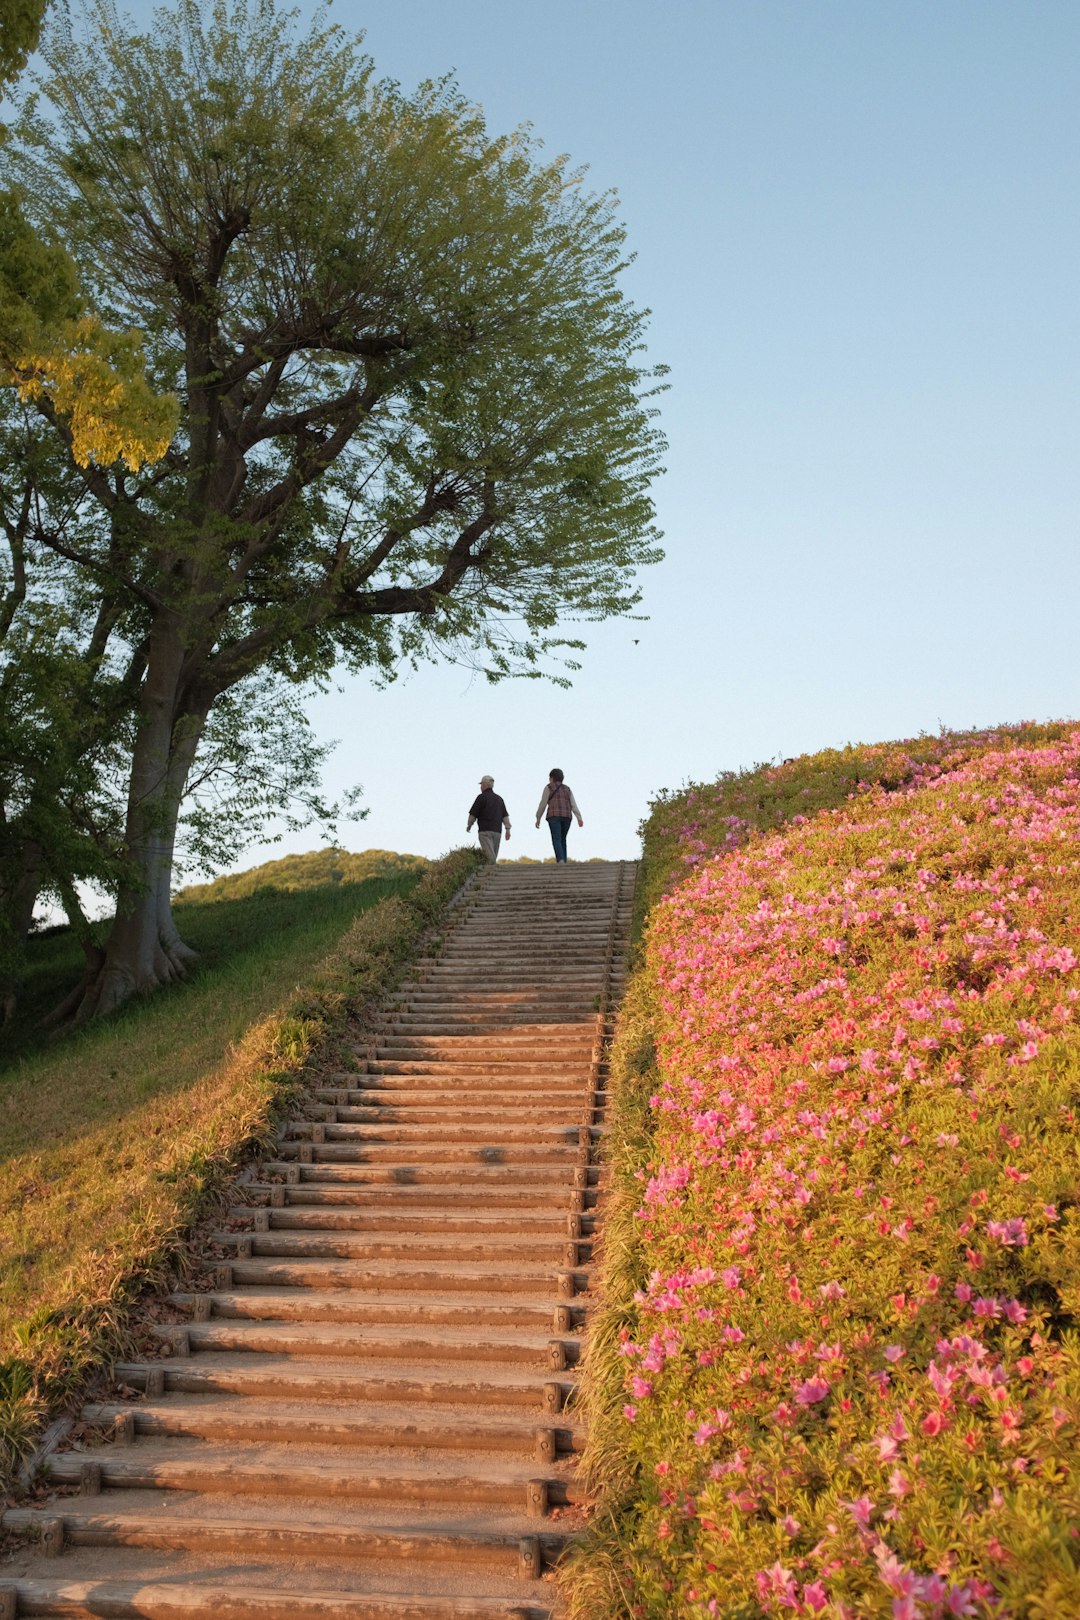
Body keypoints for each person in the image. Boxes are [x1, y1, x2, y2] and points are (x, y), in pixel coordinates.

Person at [535, 768, 583, 864]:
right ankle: (564, 860)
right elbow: (573, 804)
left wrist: (538, 818)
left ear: (552, 778)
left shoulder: (548, 788)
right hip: (567, 817)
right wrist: (579, 818)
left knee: (556, 838)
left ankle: (560, 860)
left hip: (554, 816)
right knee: (563, 839)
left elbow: (543, 804)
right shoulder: (567, 789)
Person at [467, 774, 511, 864]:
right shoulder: (499, 799)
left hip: (485, 831)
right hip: (497, 832)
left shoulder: (481, 797)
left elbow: (473, 814)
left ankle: (493, 873)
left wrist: (469, 825)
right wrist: (508, 829)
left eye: (481, 784)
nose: (481, 787)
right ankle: (494, 871)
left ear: (485, 785)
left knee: (489, 856)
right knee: (493, 854)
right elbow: (505, 816)